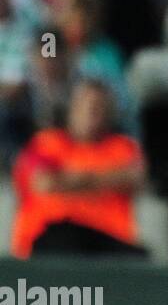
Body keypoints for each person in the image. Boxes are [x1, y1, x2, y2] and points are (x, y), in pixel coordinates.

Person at [10, 77, 146, 259]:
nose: (91, 112)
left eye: (99, 107)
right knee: (65, 237)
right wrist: (108, 179)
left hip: (108, 239)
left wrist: (69, 180)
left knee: (141, 261)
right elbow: (44, 183)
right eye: (85, 105)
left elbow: (138, 178)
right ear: (72, 108)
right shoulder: (46, 143)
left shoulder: (123, 147)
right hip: (51, 235)